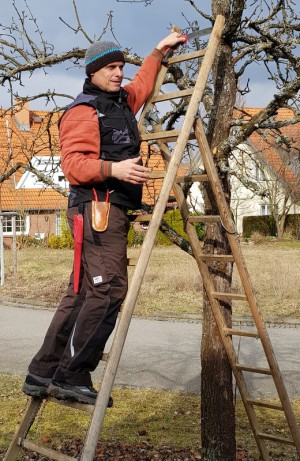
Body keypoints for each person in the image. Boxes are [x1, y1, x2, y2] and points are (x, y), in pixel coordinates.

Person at [22, 32, 185, 405]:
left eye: (120, 67)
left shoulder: (122, 101)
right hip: (97, 209)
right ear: (93, 72)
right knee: (109, 289)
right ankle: (72, 375)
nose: (118, 73)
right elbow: (73, 165)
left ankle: (41, 372)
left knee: (81, 293)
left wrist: (159, 50)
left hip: (105, 210)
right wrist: (115, 169)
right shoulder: (84, 111)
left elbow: (143, 81)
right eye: (111, 68)